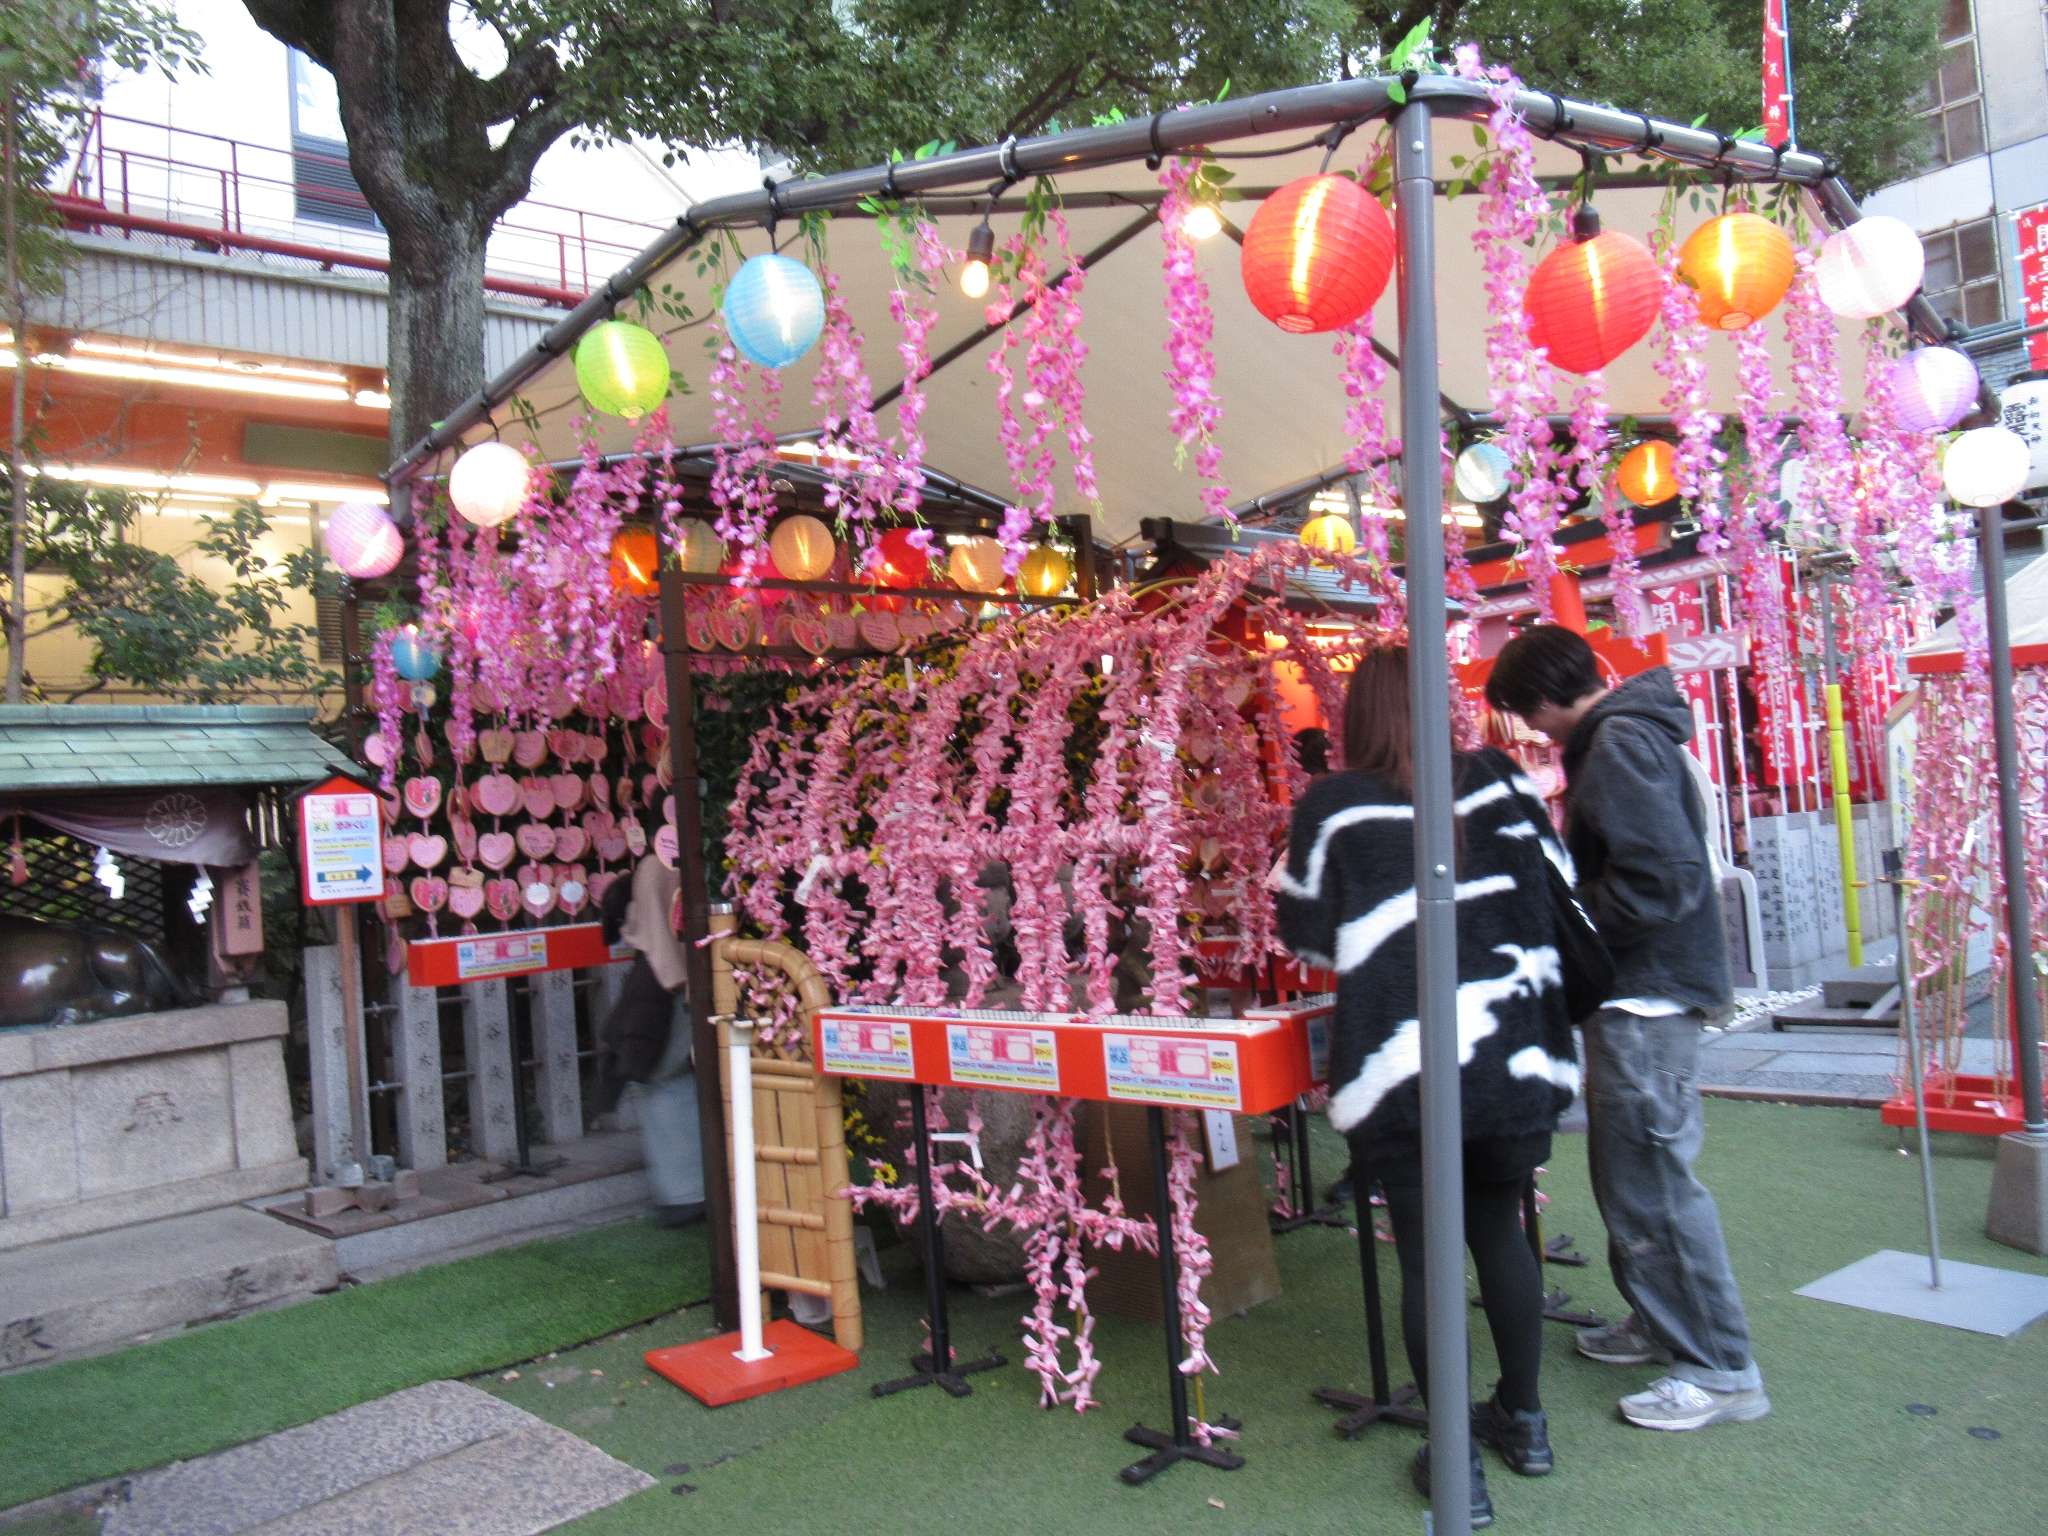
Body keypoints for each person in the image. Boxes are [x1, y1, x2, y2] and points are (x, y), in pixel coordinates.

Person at [1274, 647, 1580, 1527]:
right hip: (1514, 1052)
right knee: (1501, 1230)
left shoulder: (1331, 805)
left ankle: (1455, 1464)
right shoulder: (1503, 782)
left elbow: (1309, 940)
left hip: (1402, 1064)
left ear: (1356, 715)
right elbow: (1556, 894)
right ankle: (1526, 1425)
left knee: (1426, 1256)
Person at [1484, 626, 1768, 1433]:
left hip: (1646, 995)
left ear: (1541, 700)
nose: (1533, 734)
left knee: (1654, 1185)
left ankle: (1719, 1366)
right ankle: (1662, 1320)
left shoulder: (1617, 746)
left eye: (1526, 717)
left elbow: (1662, 877)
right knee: (1634, 1177)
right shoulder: (1636, 734)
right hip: (1647, 992)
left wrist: (1576, 929)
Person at [598, 852, 704, 1227]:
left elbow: (654, 927)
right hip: (689, 979)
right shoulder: (678, 858)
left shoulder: (655, 865)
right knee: (683, 1080)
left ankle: (685, 1192)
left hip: (665, 981)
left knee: (663, 1082)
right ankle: (695, 1188)